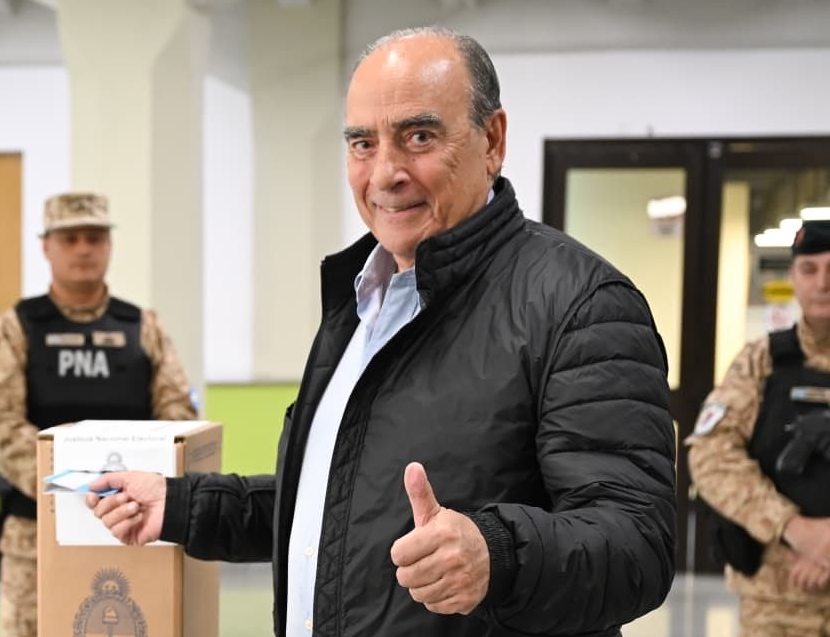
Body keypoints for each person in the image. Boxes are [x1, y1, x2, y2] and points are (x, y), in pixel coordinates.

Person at [86, 27, 676, 636]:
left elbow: (637, 544)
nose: (386, 173)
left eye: (419, 137)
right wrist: (181, 505)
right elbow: (336, 509)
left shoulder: (580, 304)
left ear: (493, 140)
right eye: (363, 144)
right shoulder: (360, 302)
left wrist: (498, 556)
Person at [0, 192, 198, 637]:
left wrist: (130, 491)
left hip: (131, 526)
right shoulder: (14, 328)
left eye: (94, 237)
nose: (83, 249)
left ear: (109, 245)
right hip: (37, 533)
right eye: (69, 239)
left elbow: (177, 417)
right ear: (46, 246)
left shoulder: (143, 327)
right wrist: (75, 486)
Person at [688, 220, 830, 637]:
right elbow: (710, 455)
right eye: (809, 269)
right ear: (793, 277)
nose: (823, 283)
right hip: (777, 602)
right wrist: (796, 530)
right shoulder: (760, 362)